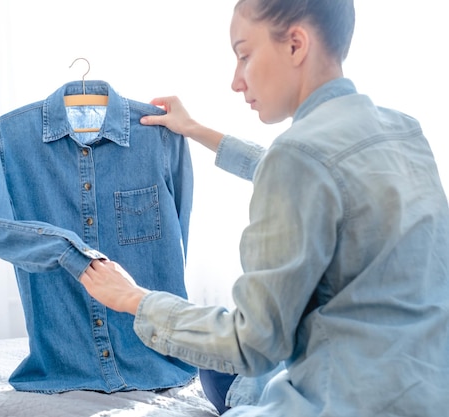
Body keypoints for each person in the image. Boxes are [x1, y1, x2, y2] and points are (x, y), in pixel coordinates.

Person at [80, 0, 449, 416]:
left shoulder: (299, 156)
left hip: (349, 401)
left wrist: (133, 299)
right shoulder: (403, 130)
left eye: (244, 55)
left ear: (295, 45)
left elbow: (250, 343)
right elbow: (318, 178)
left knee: (225, 369)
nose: (236, 81)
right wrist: (196, 130)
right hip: (432, 389)